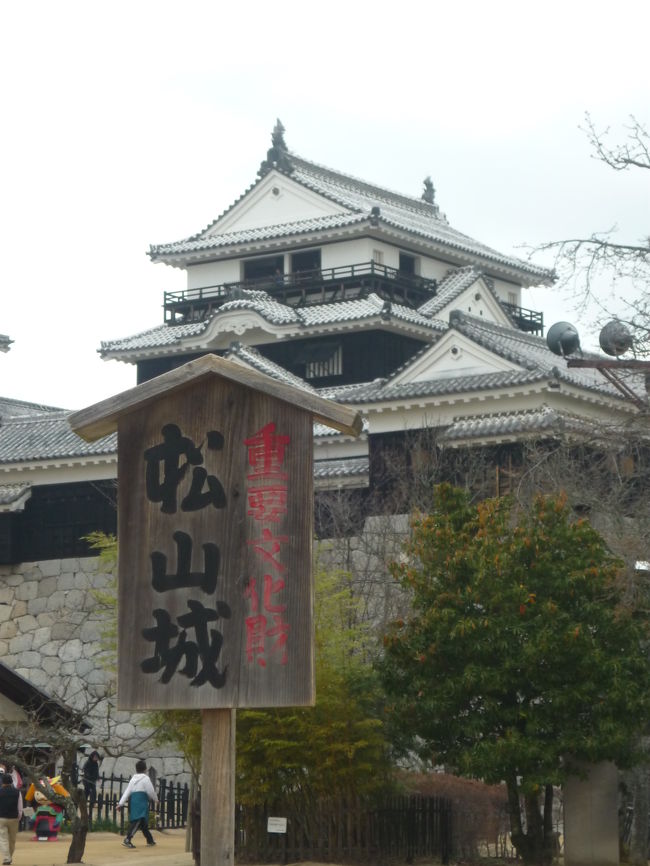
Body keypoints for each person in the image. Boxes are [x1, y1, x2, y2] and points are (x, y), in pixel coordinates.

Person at [117, 760, 157, 849]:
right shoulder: (146, 779)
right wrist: (156, 799)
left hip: (133, 800)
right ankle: (127, 839)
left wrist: (120, 803)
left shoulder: (133, 779)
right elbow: (151, 791)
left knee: (143, 822)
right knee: (138, 820)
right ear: (145, 769)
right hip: (141, 801)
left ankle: (150, 840)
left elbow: (127, 792)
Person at [0, 773, 22, 865]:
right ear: (12, 782)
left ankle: (7, 858)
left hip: (1, 818)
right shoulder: (17, 792)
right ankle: (9, 858)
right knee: (12, 840)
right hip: (14, 818)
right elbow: (20, 807)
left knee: (3, 839)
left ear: (2, 782)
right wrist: (19, 817)